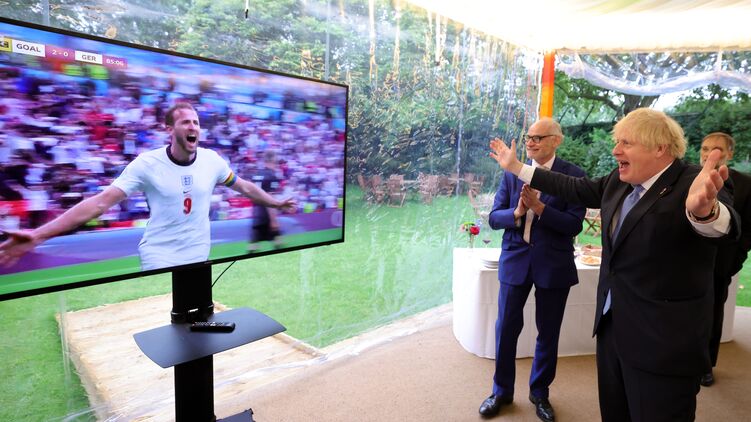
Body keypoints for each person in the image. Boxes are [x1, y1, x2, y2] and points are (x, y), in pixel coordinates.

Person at [489, 108, 739, 422]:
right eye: (616, 142)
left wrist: (705, 213)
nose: (615, 151)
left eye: (625, 143)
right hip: (612, 332)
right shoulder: (618, 181)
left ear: (659, 148)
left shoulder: (695, 182)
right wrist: (516, 167)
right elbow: (571, 187)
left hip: (662, 344)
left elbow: (726, 225)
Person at [0, 102, 296, 270]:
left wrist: (276, 203)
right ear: (169, 129)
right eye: (186, 122)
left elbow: (245, 188)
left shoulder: (212, 161)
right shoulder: (146, 164)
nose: (193, 127)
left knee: (198, 324)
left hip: (199, 256)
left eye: (196, 122)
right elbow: (99, 203)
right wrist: (38, 235)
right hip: (159, 257)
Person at [479, 118, 586, 421]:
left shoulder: (574, 176)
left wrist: (540, 208)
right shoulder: (512, 173)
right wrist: (517, 212)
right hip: (516, 259)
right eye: (529, 137)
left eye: (539, 137)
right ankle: (501, 392)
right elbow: (494, 217)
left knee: (548, 332)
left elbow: (573, 225)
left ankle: (540, 393)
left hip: (553, 263)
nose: (530, 142)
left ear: (557, 140)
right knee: (505, 329)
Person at [699, 132, 751, 387]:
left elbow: (748, 229)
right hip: (683, 263)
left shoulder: (746, 184)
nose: (709, 154)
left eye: (717, 148)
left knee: (712, 315)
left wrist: (734, 260)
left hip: (720, 265)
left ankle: (706, 366)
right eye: (705, 148)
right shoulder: (688, 177)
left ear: (730, 153)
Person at [249, 149, 284, 250]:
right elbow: (270, 198)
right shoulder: (272, 176)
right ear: (273, 160)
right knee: (278, 242)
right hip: (267, 213)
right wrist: (273, 219)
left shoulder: (256, 174)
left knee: (253, 247)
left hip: (257, 213)